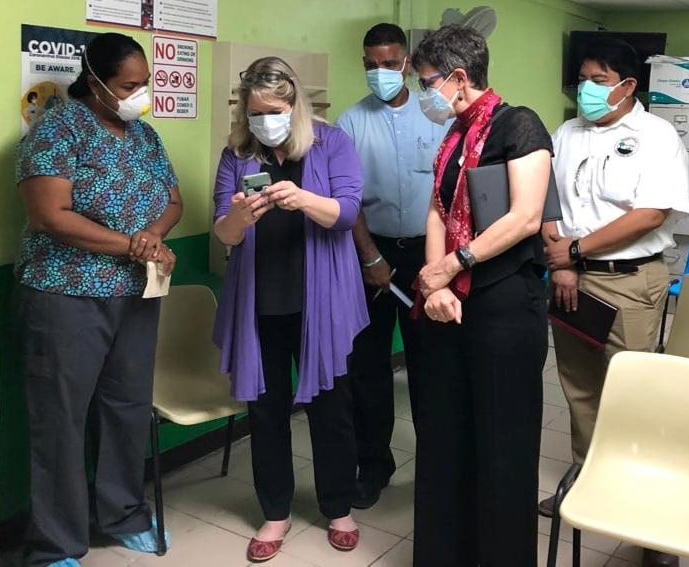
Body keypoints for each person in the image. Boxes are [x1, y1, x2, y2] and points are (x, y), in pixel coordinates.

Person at [15, 32, 182, 567]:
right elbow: (49, 215)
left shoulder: (146, 137)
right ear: (96, 83)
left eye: (144, 84)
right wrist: (132, 245)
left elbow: (173, 200)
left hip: (135, 293)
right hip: (65, 292)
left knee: (128, 407)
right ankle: (56, 545)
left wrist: (152, 236)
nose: (140, 95)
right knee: (61, 417)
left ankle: (122, 513)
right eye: (129, 86)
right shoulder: (58, 130)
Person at [539, 37, 689, 567]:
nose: (586, 89)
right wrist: (562, 262)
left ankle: (650, 522)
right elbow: (548, 198)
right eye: (582, 78)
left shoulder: (656, 135)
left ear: (627, 87)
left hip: (628, 283)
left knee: (634, 397)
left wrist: (574, 251)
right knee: (579, 388)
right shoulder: (567, 131)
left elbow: (651, 213)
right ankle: (586, 483)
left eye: (598, 81)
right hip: (569, 280)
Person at [211, 56, 368, 563]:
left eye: (274, 110)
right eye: (255, 112)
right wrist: (237, 216)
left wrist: (302, 199)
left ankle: (338, 506)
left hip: (321, 303)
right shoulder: (237, 155)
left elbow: (346, 212)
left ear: (295, 105)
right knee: (267, 411)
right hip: (260, 303)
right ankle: (275, 512)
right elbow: (223, 234)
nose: (264, 121)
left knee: (332, 409)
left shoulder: (331, 144)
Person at [409, 24, 552, 566]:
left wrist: (450, 266)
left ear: (459, 78)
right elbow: (435, 211)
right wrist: (433, 280)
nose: (423, 93)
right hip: (447, 306)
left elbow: (525, 216)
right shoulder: (452, 136)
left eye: (427, 83)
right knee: (444, 438)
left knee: (502, 446)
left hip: (502, 305)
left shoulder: (519, 125)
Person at [335, 22, 450, 510]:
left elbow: (452, 193)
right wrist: (371, 258)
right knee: (368, 367)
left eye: (388, 63)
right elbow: (348, 198)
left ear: (405, 62)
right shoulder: (350, 123)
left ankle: (439, 468)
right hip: (370, 254)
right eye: (370, 65)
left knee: (431, 366)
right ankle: (373, 465)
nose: (379, 72)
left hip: (430, 253)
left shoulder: (440, 114)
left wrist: (442, 263)